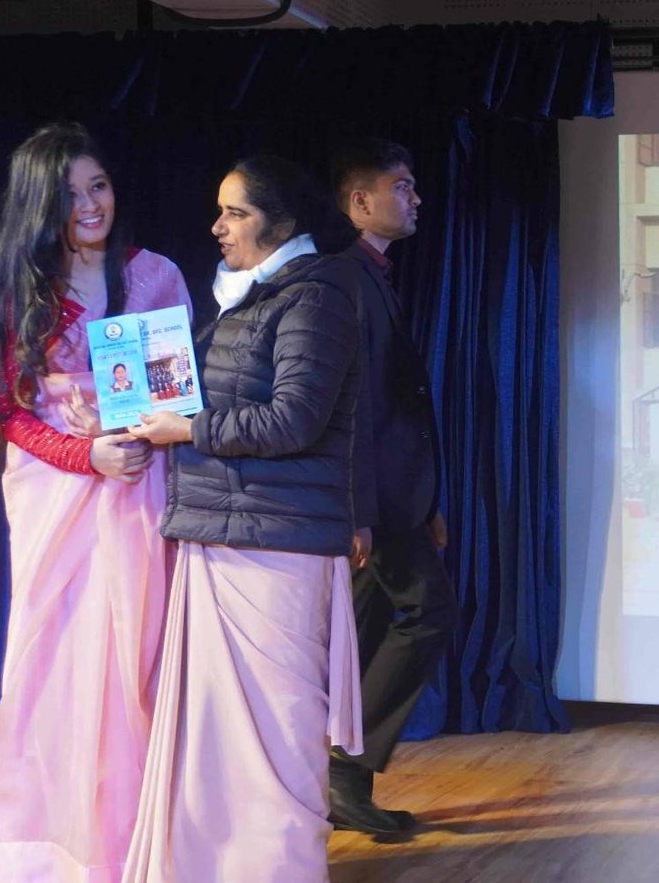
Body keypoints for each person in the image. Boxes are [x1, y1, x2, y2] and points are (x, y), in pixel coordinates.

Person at [123, 155, 365, 881]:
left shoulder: (314, 295)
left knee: (279, 729)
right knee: (221, 736)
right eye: (221, 211)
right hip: (225, 532)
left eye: (236, 213)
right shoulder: (250, 297)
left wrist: (186, 430)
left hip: (278, 542)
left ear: (280, 223)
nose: (217, 226)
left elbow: (293, 419)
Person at [0, 123, 191, 879]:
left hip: (141, 489)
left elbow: (176, 395)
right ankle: (57, 852)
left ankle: (138, 845)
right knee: (56, 665)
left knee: (135, 662)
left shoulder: (154, 276)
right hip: (57, 498)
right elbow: (8, 408)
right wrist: (83, 454)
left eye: (98, 186)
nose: (90, 204)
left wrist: (141, 435)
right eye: (69, 194)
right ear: (40, 204)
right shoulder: (24, 289)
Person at [328, 137, 456, 834]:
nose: (415, 198)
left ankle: (343, 779)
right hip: (373, 501)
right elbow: (352, 407)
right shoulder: (346, 279)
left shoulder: (375, 274)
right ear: (360, 201)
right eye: (401, 186)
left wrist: (428, 500)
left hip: (398, 499)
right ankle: (342, 764)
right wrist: (358, 509)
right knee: (426, 611)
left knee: (365, 629)